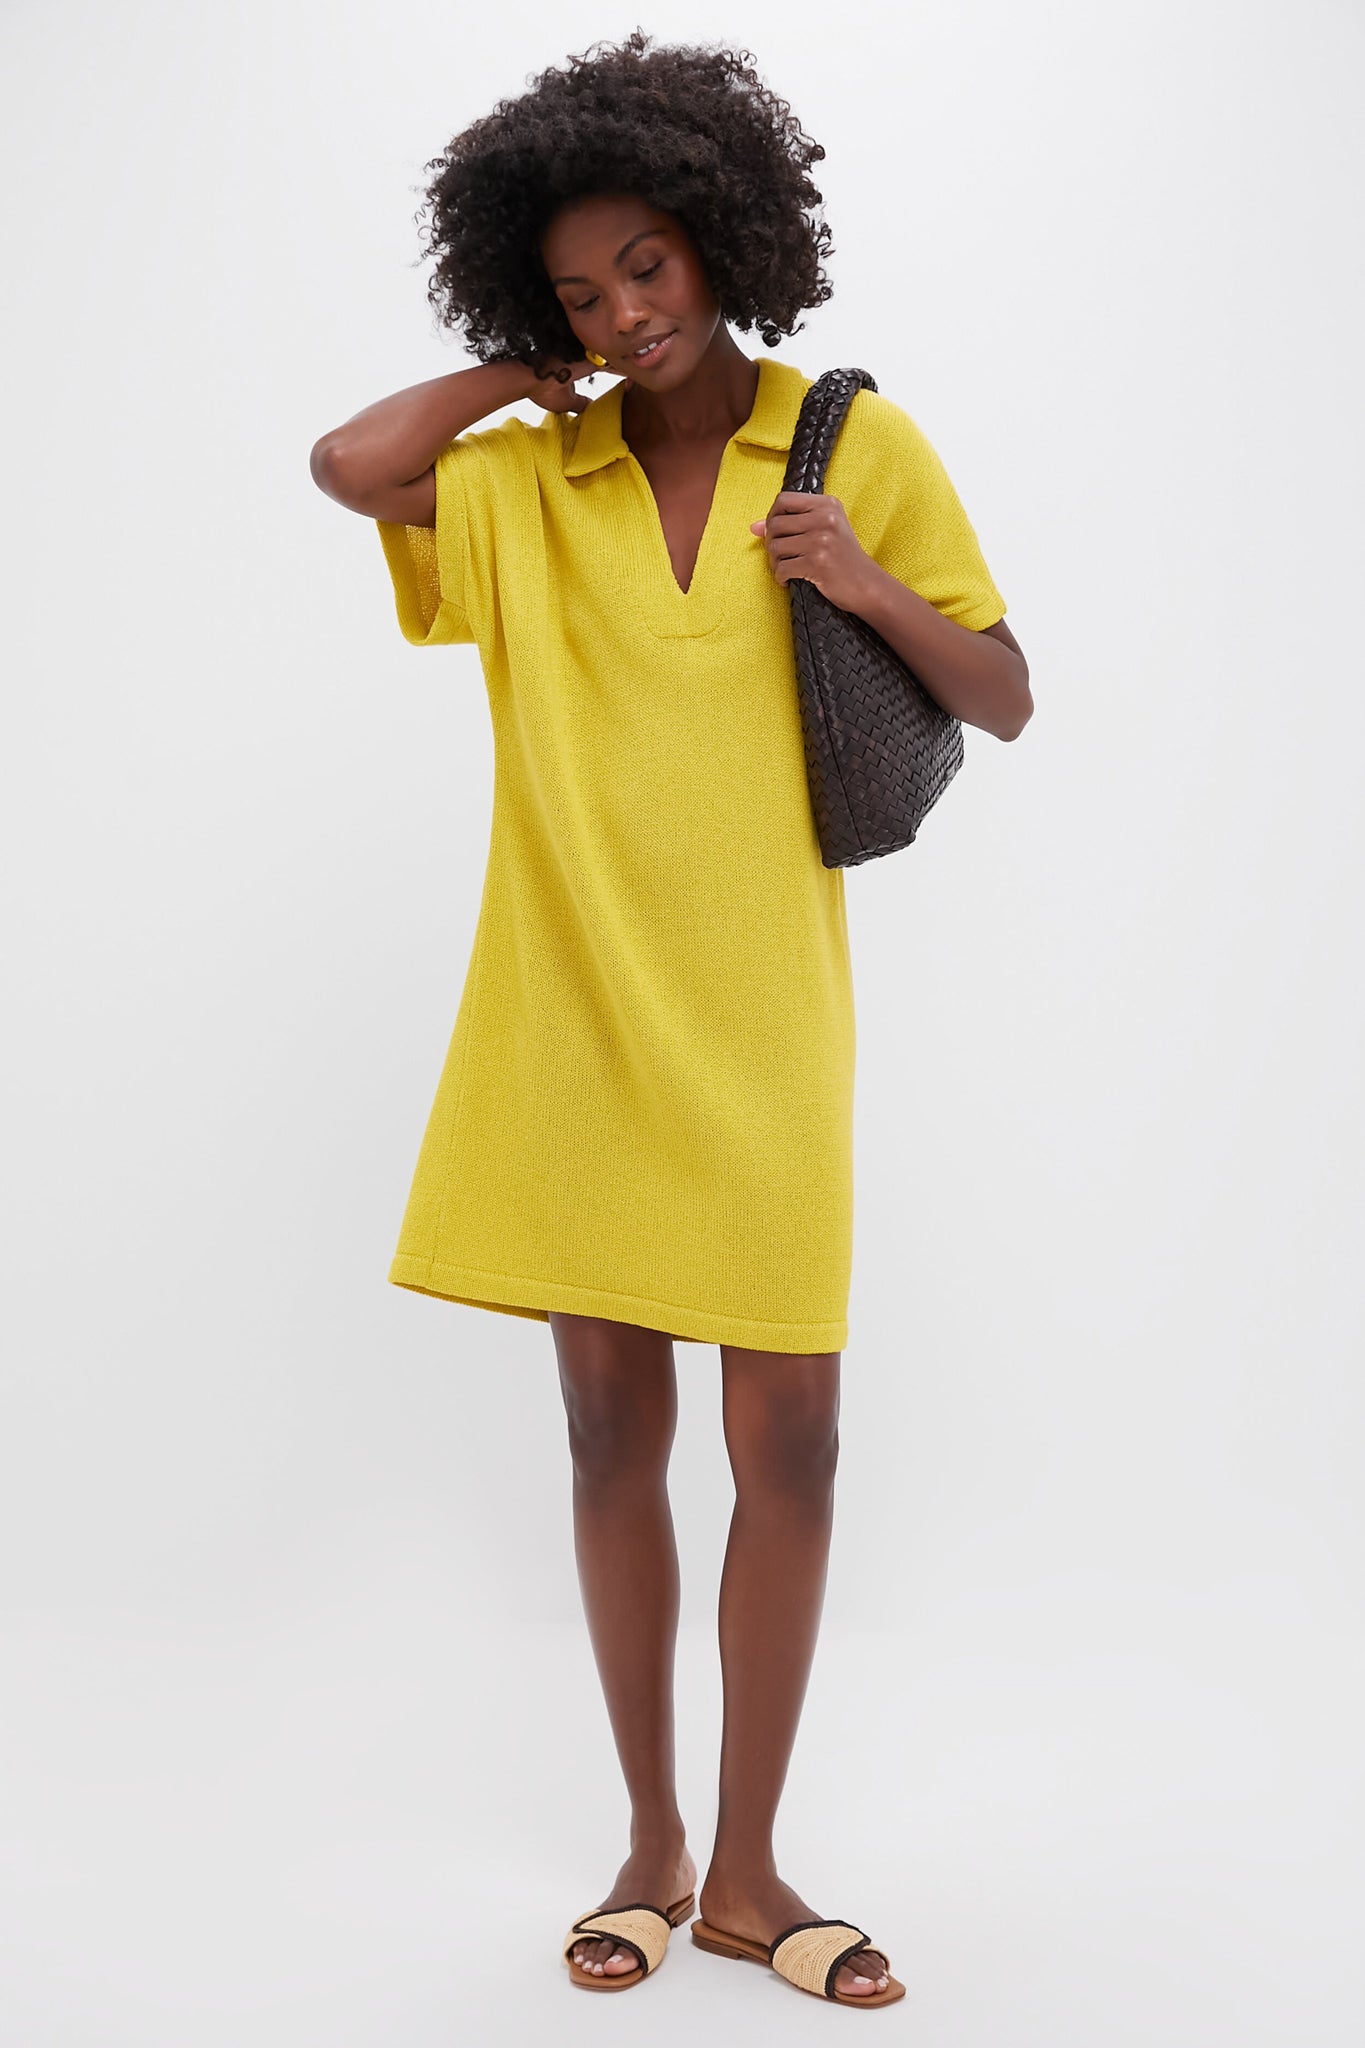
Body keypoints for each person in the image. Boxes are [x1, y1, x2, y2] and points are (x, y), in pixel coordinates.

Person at [310, 27, 1030, 2009]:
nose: (624, 310)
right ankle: (648, 1848)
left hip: (766, 1024)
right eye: (574, 291)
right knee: (605, 1429)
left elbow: (1000, 693)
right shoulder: (522, 484)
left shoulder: (847, 441)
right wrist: (517, 371)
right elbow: (351, 467)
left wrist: (860, 583)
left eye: (645, 262)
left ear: (722, 233)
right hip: (572, 1017)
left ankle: (750, 1871)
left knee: (790, 1440)